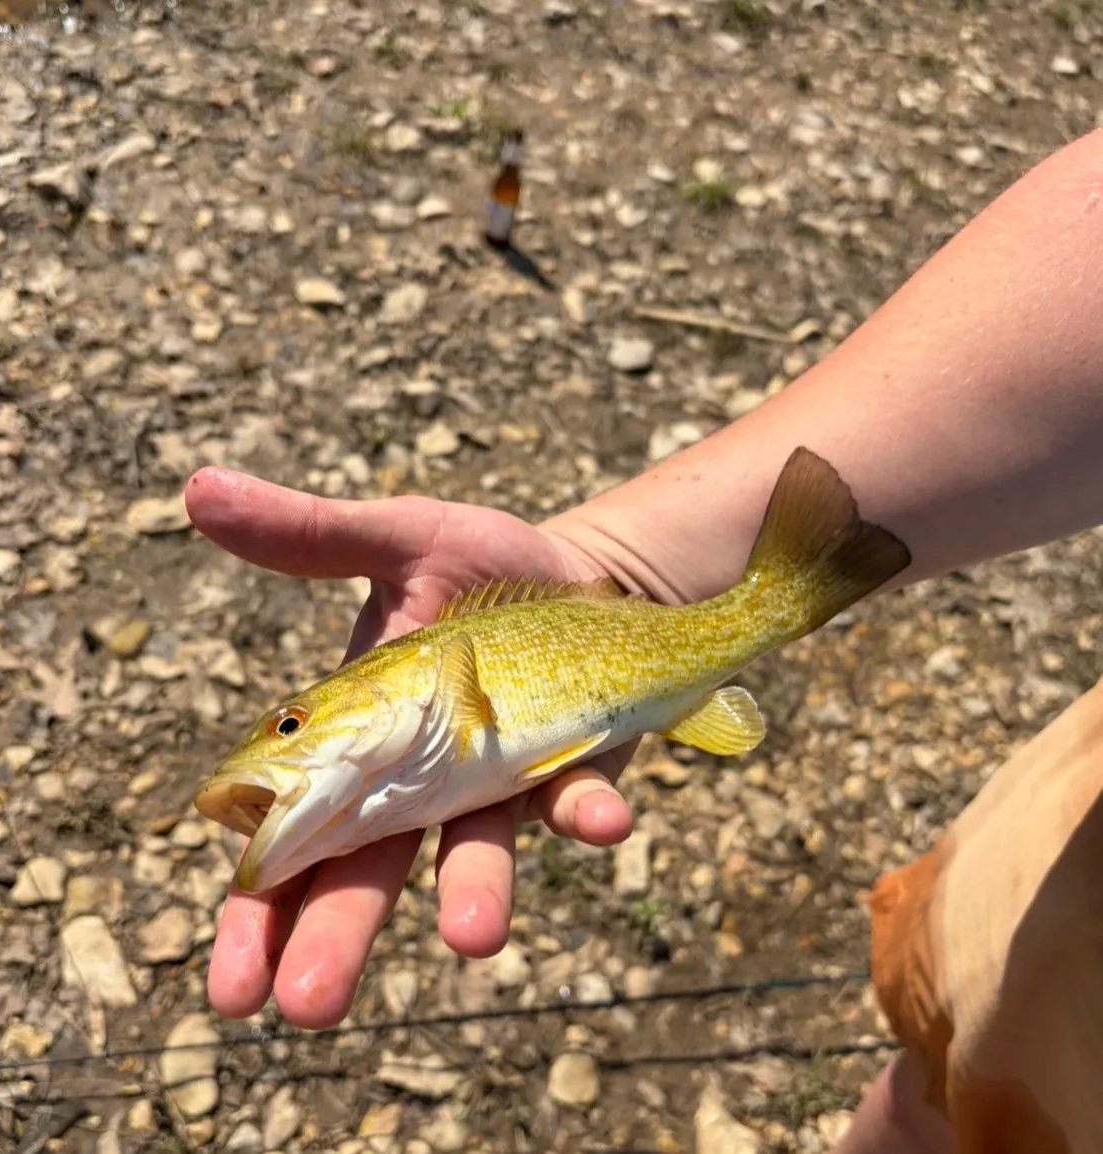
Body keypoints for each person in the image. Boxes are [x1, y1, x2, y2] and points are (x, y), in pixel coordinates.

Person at [183, 127, 1103, 1153]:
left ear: (402, 680)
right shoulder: (426, 721)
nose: (280, 746)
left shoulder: (450, 683)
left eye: (293, 722)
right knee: (957, 1035)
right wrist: (630, 553)